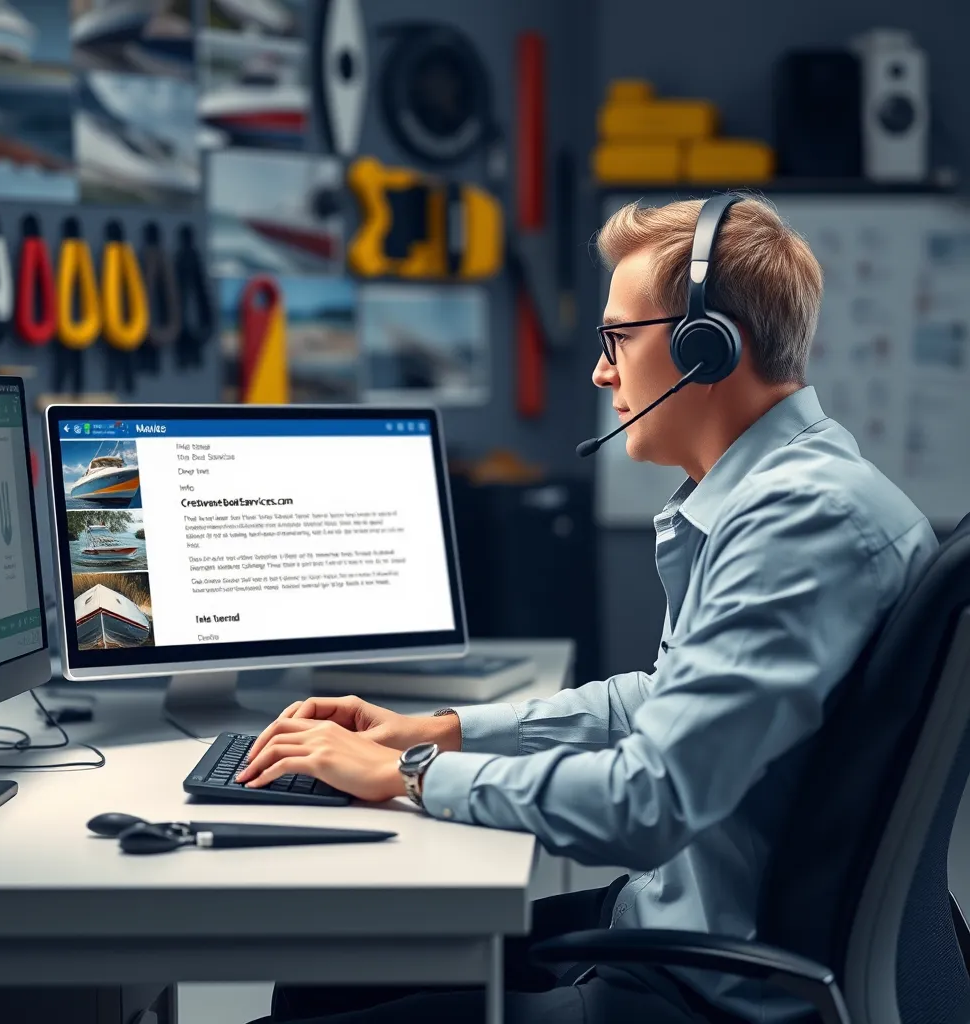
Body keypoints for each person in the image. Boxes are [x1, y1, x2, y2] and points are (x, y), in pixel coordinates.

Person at [237, 196, 939, 1024]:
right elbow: (663, 697)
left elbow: (648, 803)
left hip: (713, 987)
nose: (602, 371)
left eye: (617, 340)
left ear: (705, 348)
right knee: (326, 974)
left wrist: (406, 775)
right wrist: (440, 730)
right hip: (690, 924)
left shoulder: (803, 524)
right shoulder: (779, 494)